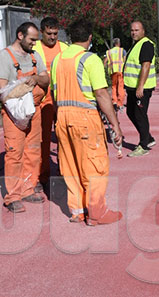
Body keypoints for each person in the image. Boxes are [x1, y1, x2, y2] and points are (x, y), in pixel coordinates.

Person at [51, 18, 123, 225]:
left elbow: (55, 94)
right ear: (89, 37)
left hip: (63, 117)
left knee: (70, 164)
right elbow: (101, 94)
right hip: (85, 117)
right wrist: (115, 125)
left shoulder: (57, 60)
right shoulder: (90, 59)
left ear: (71, 37)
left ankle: (77, 210)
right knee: (94, 165)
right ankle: (97, 213)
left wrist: (59, 118)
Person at [0, 22, 49, 213]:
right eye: (32, 39)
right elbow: (2, 88)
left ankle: (27, 188)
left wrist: (35, 79)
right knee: (14, 154)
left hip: (35, 110)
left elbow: (46, 78)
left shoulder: (35, 56)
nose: (34, 43)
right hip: (14, 114)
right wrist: (26, 86)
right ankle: (13, 197)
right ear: (20, 35)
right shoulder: (4, 57)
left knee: (33, 150)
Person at [32, 16, 68, 194]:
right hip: (44, 102)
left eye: (55, 34)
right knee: (43, 140)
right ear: (41, 32)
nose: (53, 37)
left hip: (62, 101)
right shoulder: (35, 48)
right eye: (49, 34)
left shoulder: (65, 48)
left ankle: (63, 173)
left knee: (64, 138)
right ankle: (43, 176)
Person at [124, 21, 157, 157]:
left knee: (140, 115)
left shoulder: (146, 44)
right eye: (132, 30)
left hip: (141, 88)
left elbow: (146, 66)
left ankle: (143, 145)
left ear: (143, 31)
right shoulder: (135, 45)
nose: (134, 33)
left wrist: (140, 86)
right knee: (130, 112)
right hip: (132, 87)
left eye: (137, 30)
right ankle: (148, 138)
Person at [104, 38, 127, 109]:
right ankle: (120, 103)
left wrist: (105, 69)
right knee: (120, 87)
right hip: (120, 71)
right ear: (119, 43)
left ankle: (114, 101)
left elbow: (105, 61)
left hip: (113, 71)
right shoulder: (122, 51)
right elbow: (125, 61)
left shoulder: (109, 52)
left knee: (114, 86)